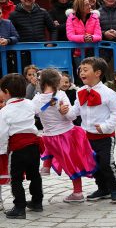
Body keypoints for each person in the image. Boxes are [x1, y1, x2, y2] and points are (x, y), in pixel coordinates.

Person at [62, 57, 116, 203]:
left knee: (106, 163)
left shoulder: (109, 93)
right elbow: (75, 112)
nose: (81, 72)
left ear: (97, 73)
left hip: (105, 136)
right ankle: (102, 188)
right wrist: (65, 111)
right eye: (80, 70)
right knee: (93, 164)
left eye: (85, 70)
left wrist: (105, 126)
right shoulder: (80, 92)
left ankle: (115, 188)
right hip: (86, 136)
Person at [32, 69, 97, 203]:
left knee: (50, 141)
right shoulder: (61, 95)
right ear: (57, 82)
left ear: (41, 82)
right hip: (66, 135)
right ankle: (78, 193)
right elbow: (71, 116)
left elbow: (35, 113)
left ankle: (46, 165)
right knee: (72, 163)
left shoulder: (37, 99)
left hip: (49, 137)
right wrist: (65, 111)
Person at [0, 73, 43, 219]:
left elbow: (2, 133)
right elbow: (38, 111)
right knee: (35, 174)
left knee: (16, 178)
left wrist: (2, 150)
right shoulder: (30, 103)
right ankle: (37, 202)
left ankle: (19, 207)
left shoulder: (4, 111)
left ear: (6, 92)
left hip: (17, 148)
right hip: (33, 145)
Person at [66, 0, 102, 84]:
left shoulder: (95, 17)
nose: (90, 6)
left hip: (92, 51)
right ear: (79, 6)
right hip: (77, 52)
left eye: (89, 4)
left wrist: (92, 38)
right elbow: (70, 35)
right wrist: (83, 38)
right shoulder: (71, 18)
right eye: (86, 5)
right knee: (81, 74)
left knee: (93, 74)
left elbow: (99, 35)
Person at [0, 7, 19, 75]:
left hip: (6, 59)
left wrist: (8, 40)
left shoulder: (8, 23)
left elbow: (16, 37)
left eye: (0, 13)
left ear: (2, 14)